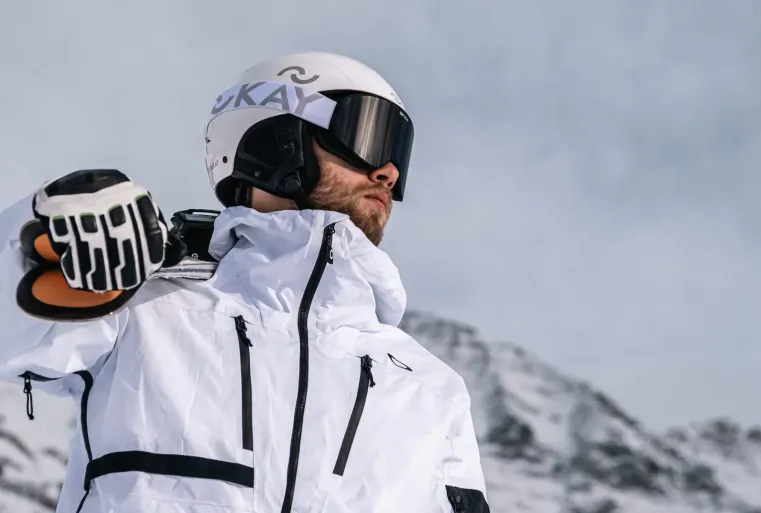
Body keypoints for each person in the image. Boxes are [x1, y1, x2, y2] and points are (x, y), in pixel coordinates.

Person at [0, 51, 490, 512]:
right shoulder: (144, 309)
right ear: (276, 139)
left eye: (398, 156)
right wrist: (35, 245)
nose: (388, 172)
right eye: (367, 136)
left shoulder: (431, 388)